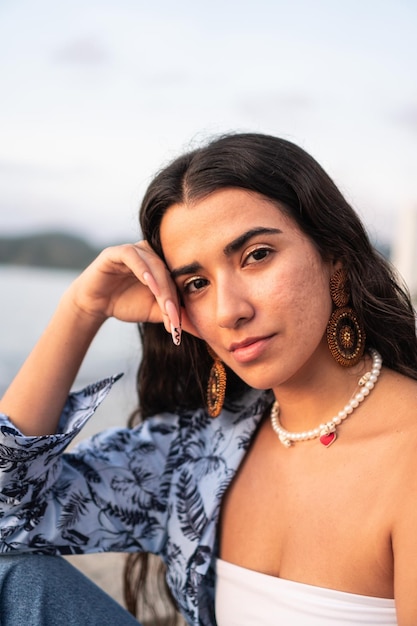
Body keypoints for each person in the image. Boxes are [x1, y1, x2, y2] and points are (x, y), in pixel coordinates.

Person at [0, 133, 416, 626]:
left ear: (335, 257)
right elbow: (10, 516)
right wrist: (81, 310)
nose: (228, 311)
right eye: (195, 285)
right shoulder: (197, 454)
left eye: (257, 255)